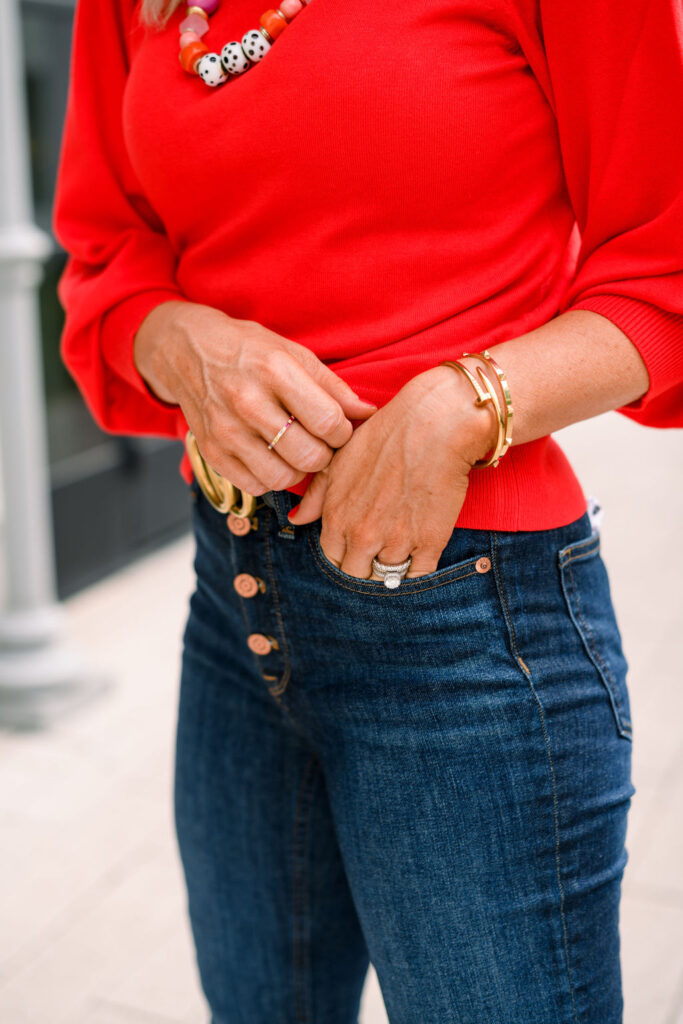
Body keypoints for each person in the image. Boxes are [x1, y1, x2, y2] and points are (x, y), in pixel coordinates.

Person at [52, 0, 683, 1020]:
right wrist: (175, 340)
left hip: (467, 626)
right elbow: (106, 250)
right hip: (234, 601)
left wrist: (462, 405)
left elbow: (666, 262)